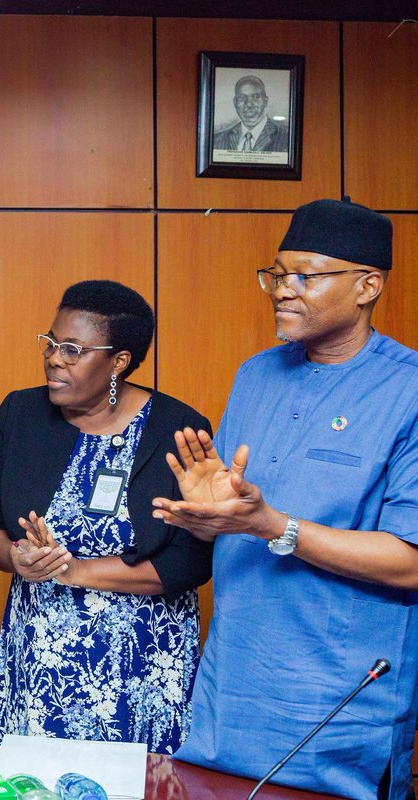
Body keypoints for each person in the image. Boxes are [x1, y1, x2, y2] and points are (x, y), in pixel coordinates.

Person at [160, 199, 418, 799]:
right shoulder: (256, 375)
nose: (282, 290)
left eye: (307, 275)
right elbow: (235, 521)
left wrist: (275, 525)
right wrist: (207, 516)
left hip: (343, 704)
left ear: (367, 286)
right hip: (233, 692)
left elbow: (411, 560)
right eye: (276, 275)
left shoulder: (408, 390)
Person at [0, 281, 212, 755]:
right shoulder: (19, 414)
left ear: (119, 361)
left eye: (73, 350)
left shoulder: (177, 430)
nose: (54, 358)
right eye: (51, 343)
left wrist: (75, 572)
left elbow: (188, 566)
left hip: (142, 663)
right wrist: (16, 559)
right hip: (39, 659)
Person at [212, 75, 288, 153]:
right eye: (241, 98)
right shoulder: (217, 140)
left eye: (255, 97)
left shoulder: (286, 139)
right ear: (235, 102)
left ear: (265, 101)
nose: (248, 104)